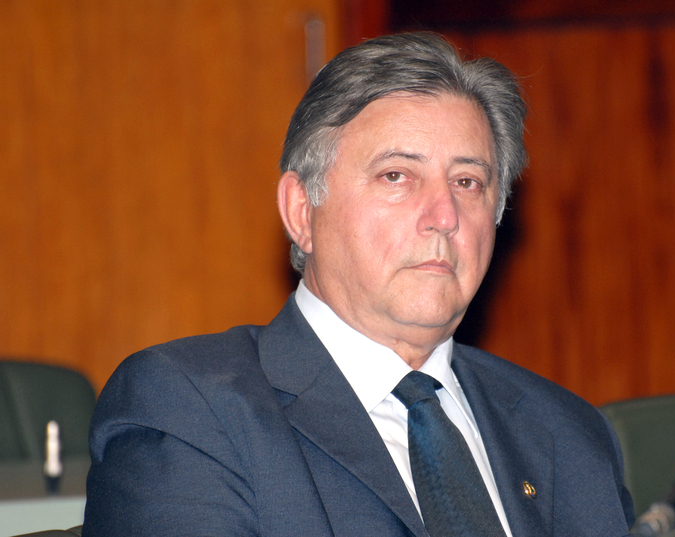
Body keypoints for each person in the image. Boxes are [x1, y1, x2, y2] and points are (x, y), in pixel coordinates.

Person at [82, 32, 635, 536]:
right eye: (397, 176)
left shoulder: (569, 434)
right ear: (302, 210)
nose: (444, 216)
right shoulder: (190, 410)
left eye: (468, 182)